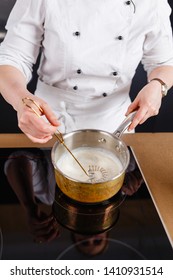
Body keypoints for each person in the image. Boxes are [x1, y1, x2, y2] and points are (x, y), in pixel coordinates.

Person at [0, 0, 173, 143]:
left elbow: (164, 62)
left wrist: (159, 86)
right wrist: (22, 101)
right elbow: (12, 57)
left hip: (115, 121)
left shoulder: (152, 3)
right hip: (46, 120)